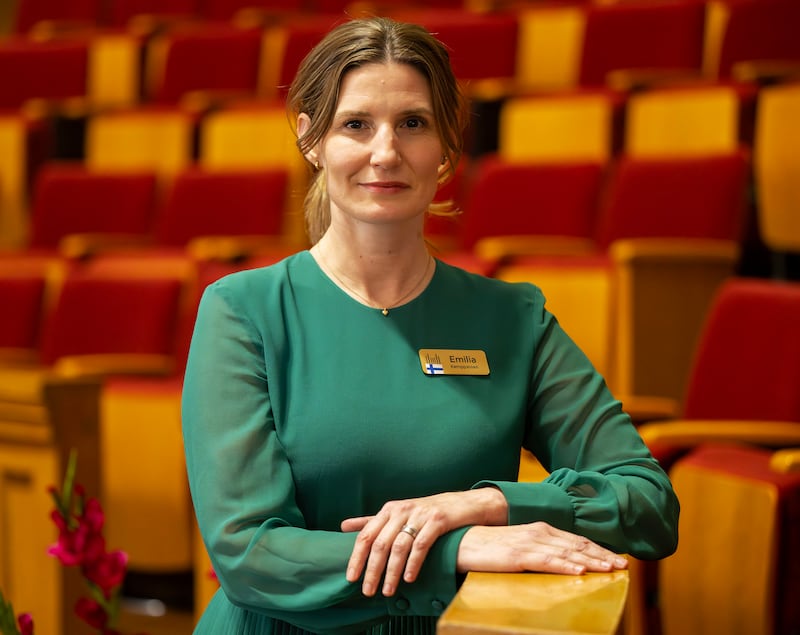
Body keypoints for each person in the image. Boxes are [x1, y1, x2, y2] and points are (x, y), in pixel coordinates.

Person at [182, 16, 679, 635]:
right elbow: (248, 554)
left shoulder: (512, 318)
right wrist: (456, 549)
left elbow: (648, 503)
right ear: (312, 141)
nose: (385, 152)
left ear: (446, 147)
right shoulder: (243, 309)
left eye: (412, 123)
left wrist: (490, 505)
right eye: (355, 124)